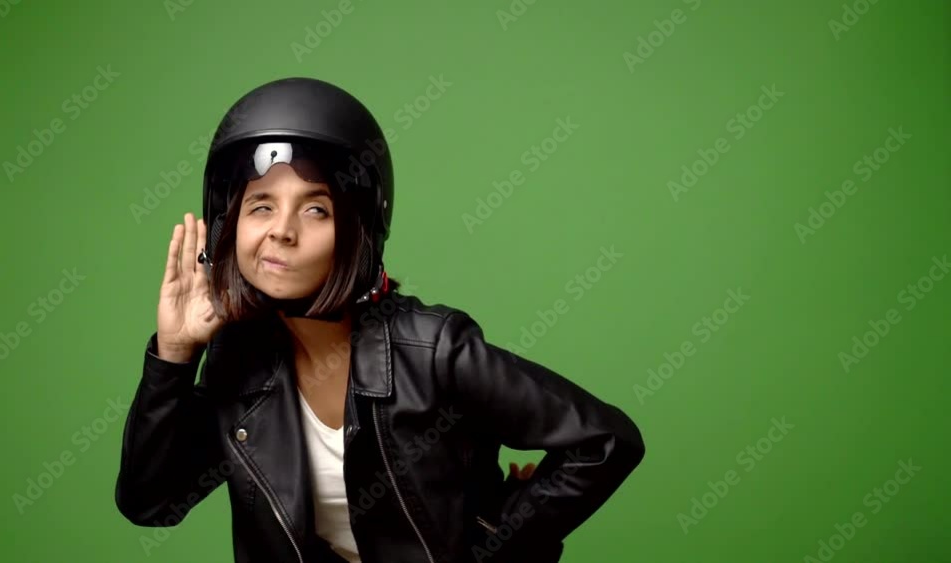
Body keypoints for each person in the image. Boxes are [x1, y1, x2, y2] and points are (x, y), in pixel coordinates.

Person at [114, 77, 645, 563]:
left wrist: (499, 537)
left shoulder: (432, 350)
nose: (282, 231)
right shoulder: (239, 360)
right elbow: (151, 503)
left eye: (316, 209)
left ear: (358, 231)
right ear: (229, 226)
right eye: (261, 207)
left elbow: (605, 442)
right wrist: (174, 355)